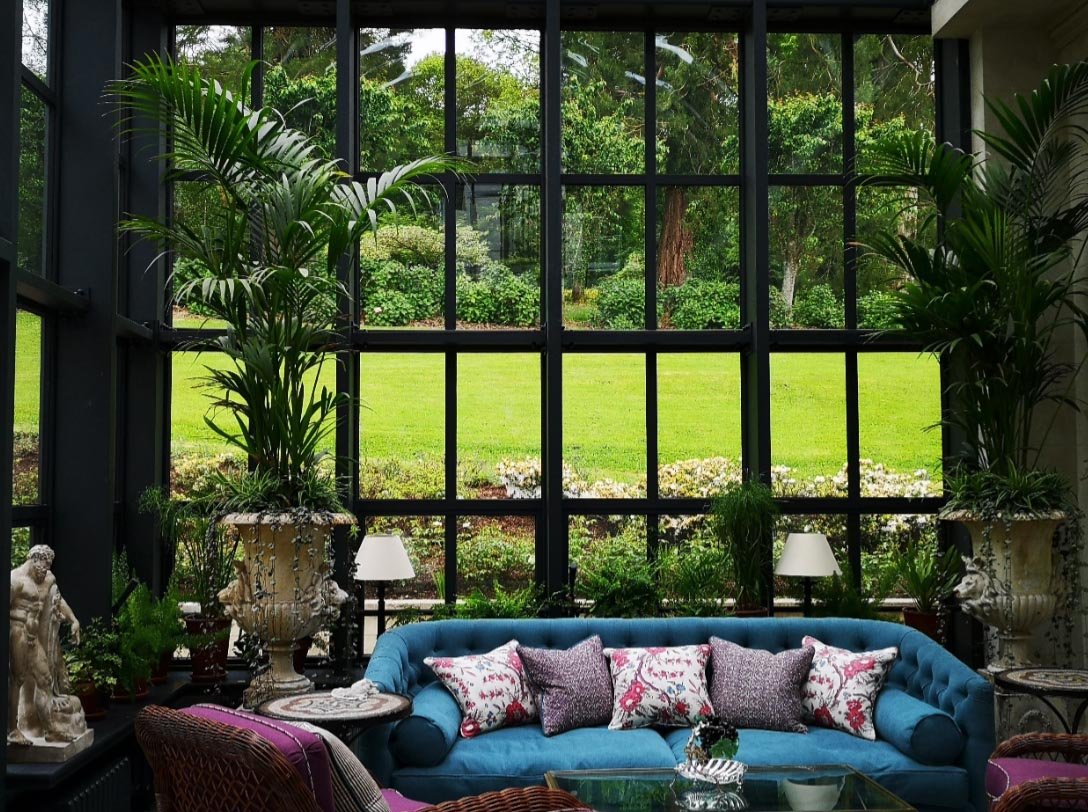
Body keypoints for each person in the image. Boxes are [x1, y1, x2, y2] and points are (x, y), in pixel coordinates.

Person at [8, 544, 85, 745]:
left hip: (33, 640)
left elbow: (59, 602)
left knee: (45, 680)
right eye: (45, 564)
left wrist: (73, 619)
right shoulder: (15, 581)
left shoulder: (46, 580)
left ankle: (51, 730)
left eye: (50, 565)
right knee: (17, 679)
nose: (47, 569)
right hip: (18, 633)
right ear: (34, 559)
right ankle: (12, 730)